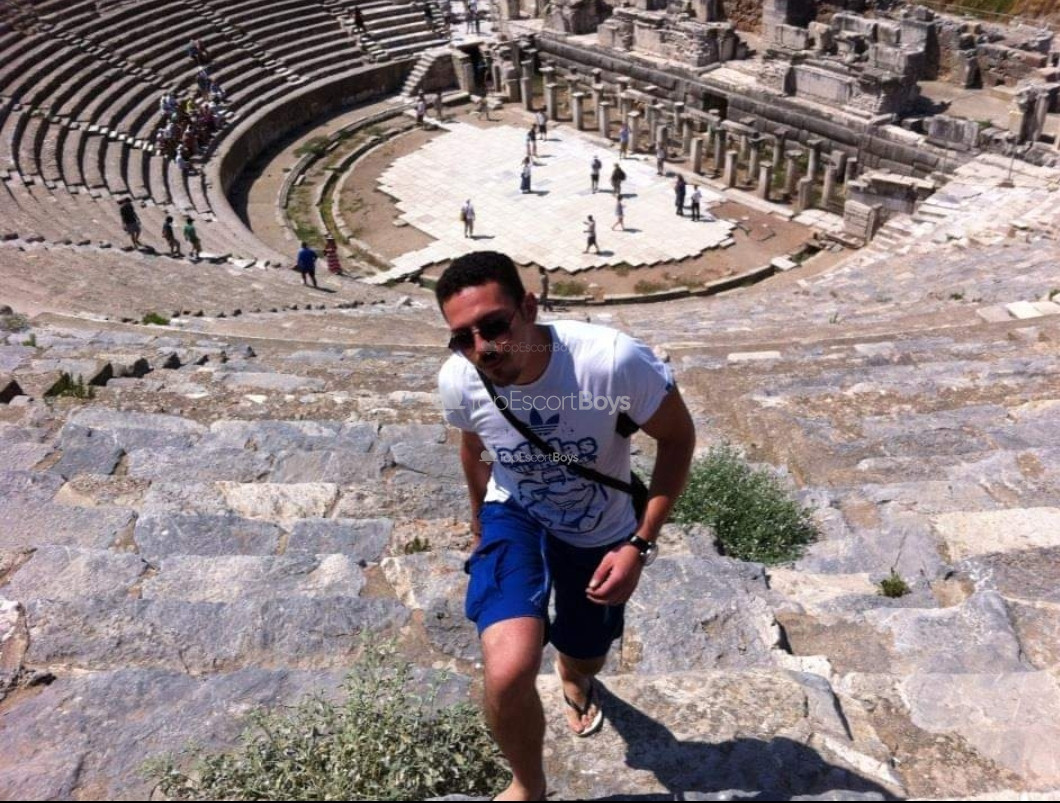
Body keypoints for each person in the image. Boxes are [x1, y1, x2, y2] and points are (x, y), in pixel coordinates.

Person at [435, 250, 695, 801]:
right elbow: (474, 448)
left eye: (494, 326)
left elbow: (678, 439)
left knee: (587, 647)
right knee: (507, 670)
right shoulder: (460, 379)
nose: (482, 348)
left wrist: (640, 544)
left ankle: (575, 674)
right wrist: (480, 524)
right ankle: (527, 787)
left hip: (601, 527)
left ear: (530, 308)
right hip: (514, 512)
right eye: (463, 338)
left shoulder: (612, 362)